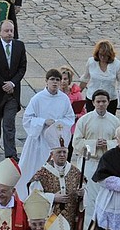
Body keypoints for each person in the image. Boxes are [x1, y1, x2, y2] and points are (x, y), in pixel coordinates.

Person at [16, 69, 75, 200]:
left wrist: (57, 123)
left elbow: (70, 118)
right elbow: (27, 119)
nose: (55, 83)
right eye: (52, 79)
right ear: (46, 81)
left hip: (54, 141)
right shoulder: (37, 99)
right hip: (39, 140)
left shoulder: (64, 99)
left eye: (57, 80)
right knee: (34, 168)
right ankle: (30, 196)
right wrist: (43, 122)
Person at [72, 89, 120, 230]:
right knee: (89, 200)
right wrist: (93, 144)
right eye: (98, 101)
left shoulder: (114, 121)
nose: (101, 104)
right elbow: (76, 142)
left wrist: (108, 144)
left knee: (106, 199)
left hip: (106, 164)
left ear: (108, 102)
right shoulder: (84, 120)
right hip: (89, 163)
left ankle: (104, 229)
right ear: (93, 102)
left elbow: (119, 142)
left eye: (103, 101)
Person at [28, 123, 84, 230]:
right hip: (50, 219)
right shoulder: (43, 173)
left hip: (70, 219)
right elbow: (34, 196)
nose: (62, 155)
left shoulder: (75, 172)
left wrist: (82, 194)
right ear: (52, 154)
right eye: (59, 152)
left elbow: (84, 191)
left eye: (64, 152)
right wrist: (53, 198)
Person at [0, 20, 27, 158]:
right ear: (0, 32)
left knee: (9, 123)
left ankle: (11, 153)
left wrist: (12, 83)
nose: (9, 33)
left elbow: (22, 67)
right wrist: (4, 83)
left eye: (11, 31)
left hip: (13, 92)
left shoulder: (19, 46)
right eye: (6, 31)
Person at [79, 40, 120, 114]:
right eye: (100, 54)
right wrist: (77, 93)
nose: (102, 57)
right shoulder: (91, 62)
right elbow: (85, 79)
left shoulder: (117, 64)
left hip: (110, 100)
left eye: (105, 55)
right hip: (92, 98)